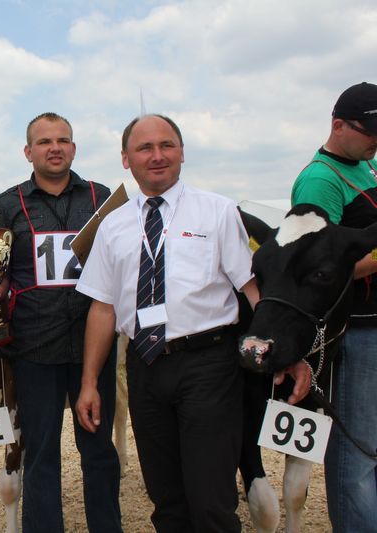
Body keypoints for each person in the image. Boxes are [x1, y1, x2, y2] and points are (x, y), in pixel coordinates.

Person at [75, 114, 311, 532]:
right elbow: (103, 308)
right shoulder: (112, 226)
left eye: (166, 145)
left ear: (182, 152)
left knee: (212, 503)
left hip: (208, 367)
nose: (157, 155)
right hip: (146, 369)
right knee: (167, 503)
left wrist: (286, 354)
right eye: (145, 148)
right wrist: (90, 383)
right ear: (126, 159)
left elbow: (254, 289)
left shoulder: (218, 212)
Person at [0, 112, 122, 533]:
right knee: (41, 452)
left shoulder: (103, 197)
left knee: (99, 449)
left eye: (63, 140)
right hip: (35, 345)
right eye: (44, 142)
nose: (55, 148)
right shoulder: (5, 205)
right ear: (29, 152)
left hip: (93, 346)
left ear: (74, 148)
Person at [291, 81, 377, 531]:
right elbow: (313, 267)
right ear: (338, 125)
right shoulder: (320, 180)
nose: (376, 141)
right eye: (370, 131)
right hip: (357, 329)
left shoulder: (368, 164)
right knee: (356, 455)